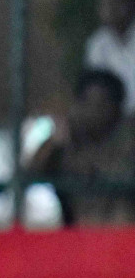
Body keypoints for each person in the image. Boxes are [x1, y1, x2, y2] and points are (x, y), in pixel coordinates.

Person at [25, 69, 135, 226]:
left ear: (117, 107)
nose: (94, 111)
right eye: (87, 102)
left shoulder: (129, 138)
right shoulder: (68, 139)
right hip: (79, 238)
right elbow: (30, 174)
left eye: (102, 104)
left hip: (124, 236)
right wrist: (54, 142)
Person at [84, 0, 135, 116]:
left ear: (130, 3)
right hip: (112, 121)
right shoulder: (97, 44)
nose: (110, 9)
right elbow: (96, 89)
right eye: (106, 4)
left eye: (116, 2)